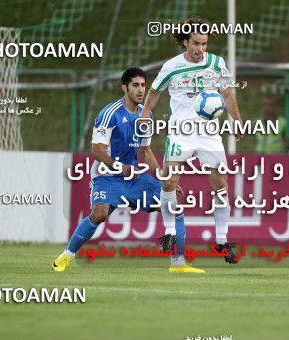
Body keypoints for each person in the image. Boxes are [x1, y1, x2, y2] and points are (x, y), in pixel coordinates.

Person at [52, 67, 204, 273]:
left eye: (143, 85)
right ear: (124, 87)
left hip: (133, 177)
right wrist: (118, 166)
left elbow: (145, 151)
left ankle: (178, 263)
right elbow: (97, 151)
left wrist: (164, 179)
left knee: (174, 207)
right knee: (99, 214)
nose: (141, 90)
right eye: (135, 85)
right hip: (107, 175)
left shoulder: (146, 117)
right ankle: (65, 257)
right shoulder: (110, 114)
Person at [140, 17, 243, 264]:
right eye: (196, 43)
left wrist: (237, 120)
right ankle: (169, 233)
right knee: (169, 181)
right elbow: (155, 92)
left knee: (220, 184)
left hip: (209, 134)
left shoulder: (217, 63)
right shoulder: (172, 66)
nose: (200, 49)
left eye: (204, 44)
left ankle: (221, 240)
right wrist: (144, 115)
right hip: (180, 132)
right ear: (185, 42)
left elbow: (227, 92)